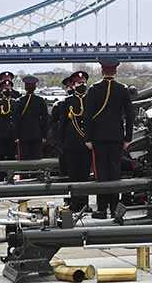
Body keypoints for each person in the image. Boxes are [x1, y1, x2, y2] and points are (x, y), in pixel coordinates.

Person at [83, 58, 133, 219]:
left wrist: (88, 138)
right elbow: (130, 116)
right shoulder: (122, 89)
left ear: (102, 71)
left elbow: (88, 116)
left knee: (101, 174)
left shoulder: (94, 89)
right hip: (117, 137)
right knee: (115, 172)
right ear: (115, 71)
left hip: (98, 137)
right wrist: (128, 138)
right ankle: (114, 208)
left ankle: (102, 209)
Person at [55, 71, 92, 211]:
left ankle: (85, 204)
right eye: (78, 83)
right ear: (74, 85)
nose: (81, 85)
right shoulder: (67, 102)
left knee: (85, 175)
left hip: (87, 143)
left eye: (83, 83)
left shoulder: (90, 100)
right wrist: (61, 144)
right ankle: (75, 203)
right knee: (74, 175)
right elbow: (62, 124)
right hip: (71, 143)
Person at [11, 76, 49, 161]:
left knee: (24, 160)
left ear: (25, 87)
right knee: (37, 158)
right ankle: (36, 174)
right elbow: (45, 119)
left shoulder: (19, 101)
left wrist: (16, 136)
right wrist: (44, 135)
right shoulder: (40, 101)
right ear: (35, 87)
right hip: (37, 134)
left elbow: (15, 120)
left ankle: (25, 174)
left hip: (22, 135)